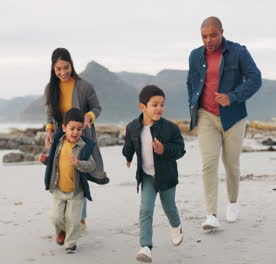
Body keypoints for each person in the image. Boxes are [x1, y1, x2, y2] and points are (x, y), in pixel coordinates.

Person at [186, 16, 262, 230]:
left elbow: (255, 78)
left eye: (212, 35)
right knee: (209, 164)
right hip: (206, 116)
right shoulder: (194, 56)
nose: (208, 40)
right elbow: (190, 84)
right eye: (204, 36)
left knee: (231, 163)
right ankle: (211, 214)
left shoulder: (239, 52)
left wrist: (233, 96)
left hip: (234, 117)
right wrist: (192, 107)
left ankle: (233, 202)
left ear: (221, 32)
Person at [43, 47, 109, 233]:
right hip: (60, 139)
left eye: (66, 67)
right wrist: (49, 130)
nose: (63, 72)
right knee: (60, 174)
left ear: (71, 65)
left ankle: (80, 219)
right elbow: (50, 113)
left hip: (81, 137)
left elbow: (97, 107)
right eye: (59, 69)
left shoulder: (84, 86)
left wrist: (88, 116)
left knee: (79, 176)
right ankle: (63, 219)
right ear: (53, 69)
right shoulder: (51, 88)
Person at [123, 85, 186, 263]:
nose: (159, 108)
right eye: (155, 104)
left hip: (166, 176)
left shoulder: (170, 128)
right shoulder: (133, 127)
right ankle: (145, 247)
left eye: (162, 104)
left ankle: (176, 226)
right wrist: (128, 157)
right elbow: (129, 143)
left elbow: (180, 150)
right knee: (146, 209)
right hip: (147, 176)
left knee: (169, 207)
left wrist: (163, 149)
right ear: (142, 107)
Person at [39, 108, 97, 254]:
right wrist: (46, 161)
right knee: (55, 217)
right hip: (58, 188)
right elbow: (55, 163)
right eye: (72, 128)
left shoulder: (83, 146)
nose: (75, 132)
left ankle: (71, 243)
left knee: (73, 220)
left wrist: (78, 163)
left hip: (76, 191)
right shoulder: (59, 144)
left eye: (79, 129)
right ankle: (61, 232)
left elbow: (91, 165)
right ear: (64, 128)